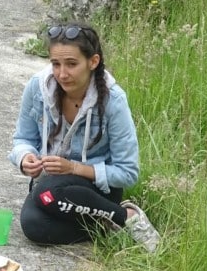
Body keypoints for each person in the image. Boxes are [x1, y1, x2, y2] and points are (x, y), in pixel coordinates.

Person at [9, 22, 159, 251]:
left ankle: (125, 215)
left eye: (71, 64)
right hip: (50, 190)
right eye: (55, 64)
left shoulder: (113, 100)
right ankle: (104, 224)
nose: (61, 73)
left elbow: (128, 173)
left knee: (47, 192)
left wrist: (73, 168)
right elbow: (22, 139)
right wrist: (25, 157)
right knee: (33, 225)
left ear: (93, 62)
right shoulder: (38, 88)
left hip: (97, 190)